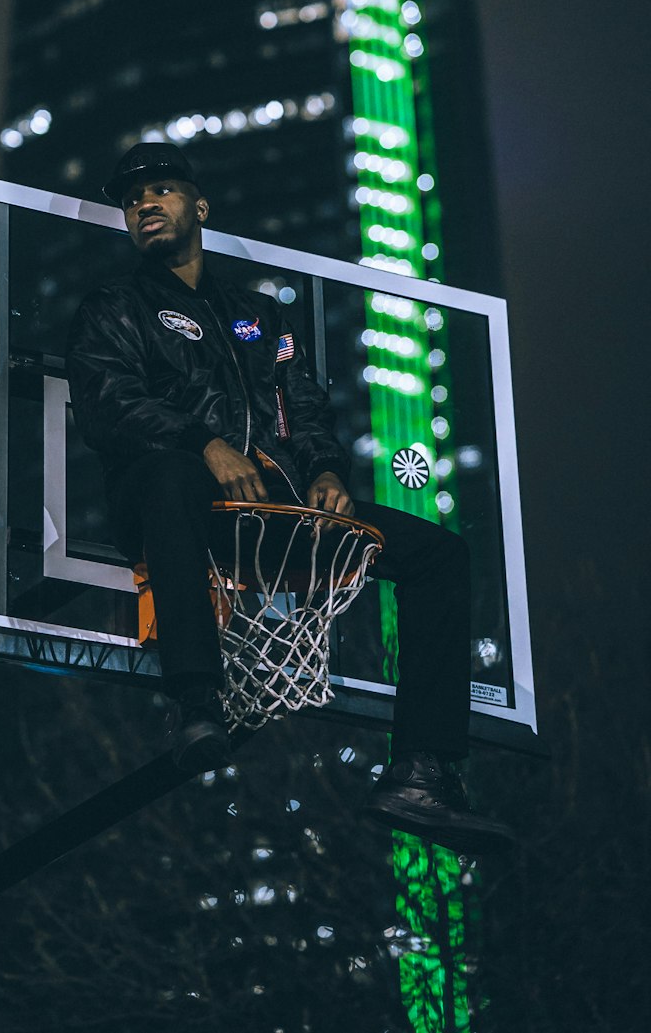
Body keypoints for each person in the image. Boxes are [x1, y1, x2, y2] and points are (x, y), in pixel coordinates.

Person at [66, 142, 513, 851]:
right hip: (166, 505)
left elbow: (302, 408)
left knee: (437, 554)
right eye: (132, 199)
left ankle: (423, 769)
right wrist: (203, 443)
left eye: (161, 190)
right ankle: (194, 699)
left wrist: (327, 472)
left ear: (198, 206)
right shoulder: (114, 308)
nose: (144, 204)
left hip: (269, 510)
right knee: (173, 473)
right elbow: (108, 403)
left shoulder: (260, 317)